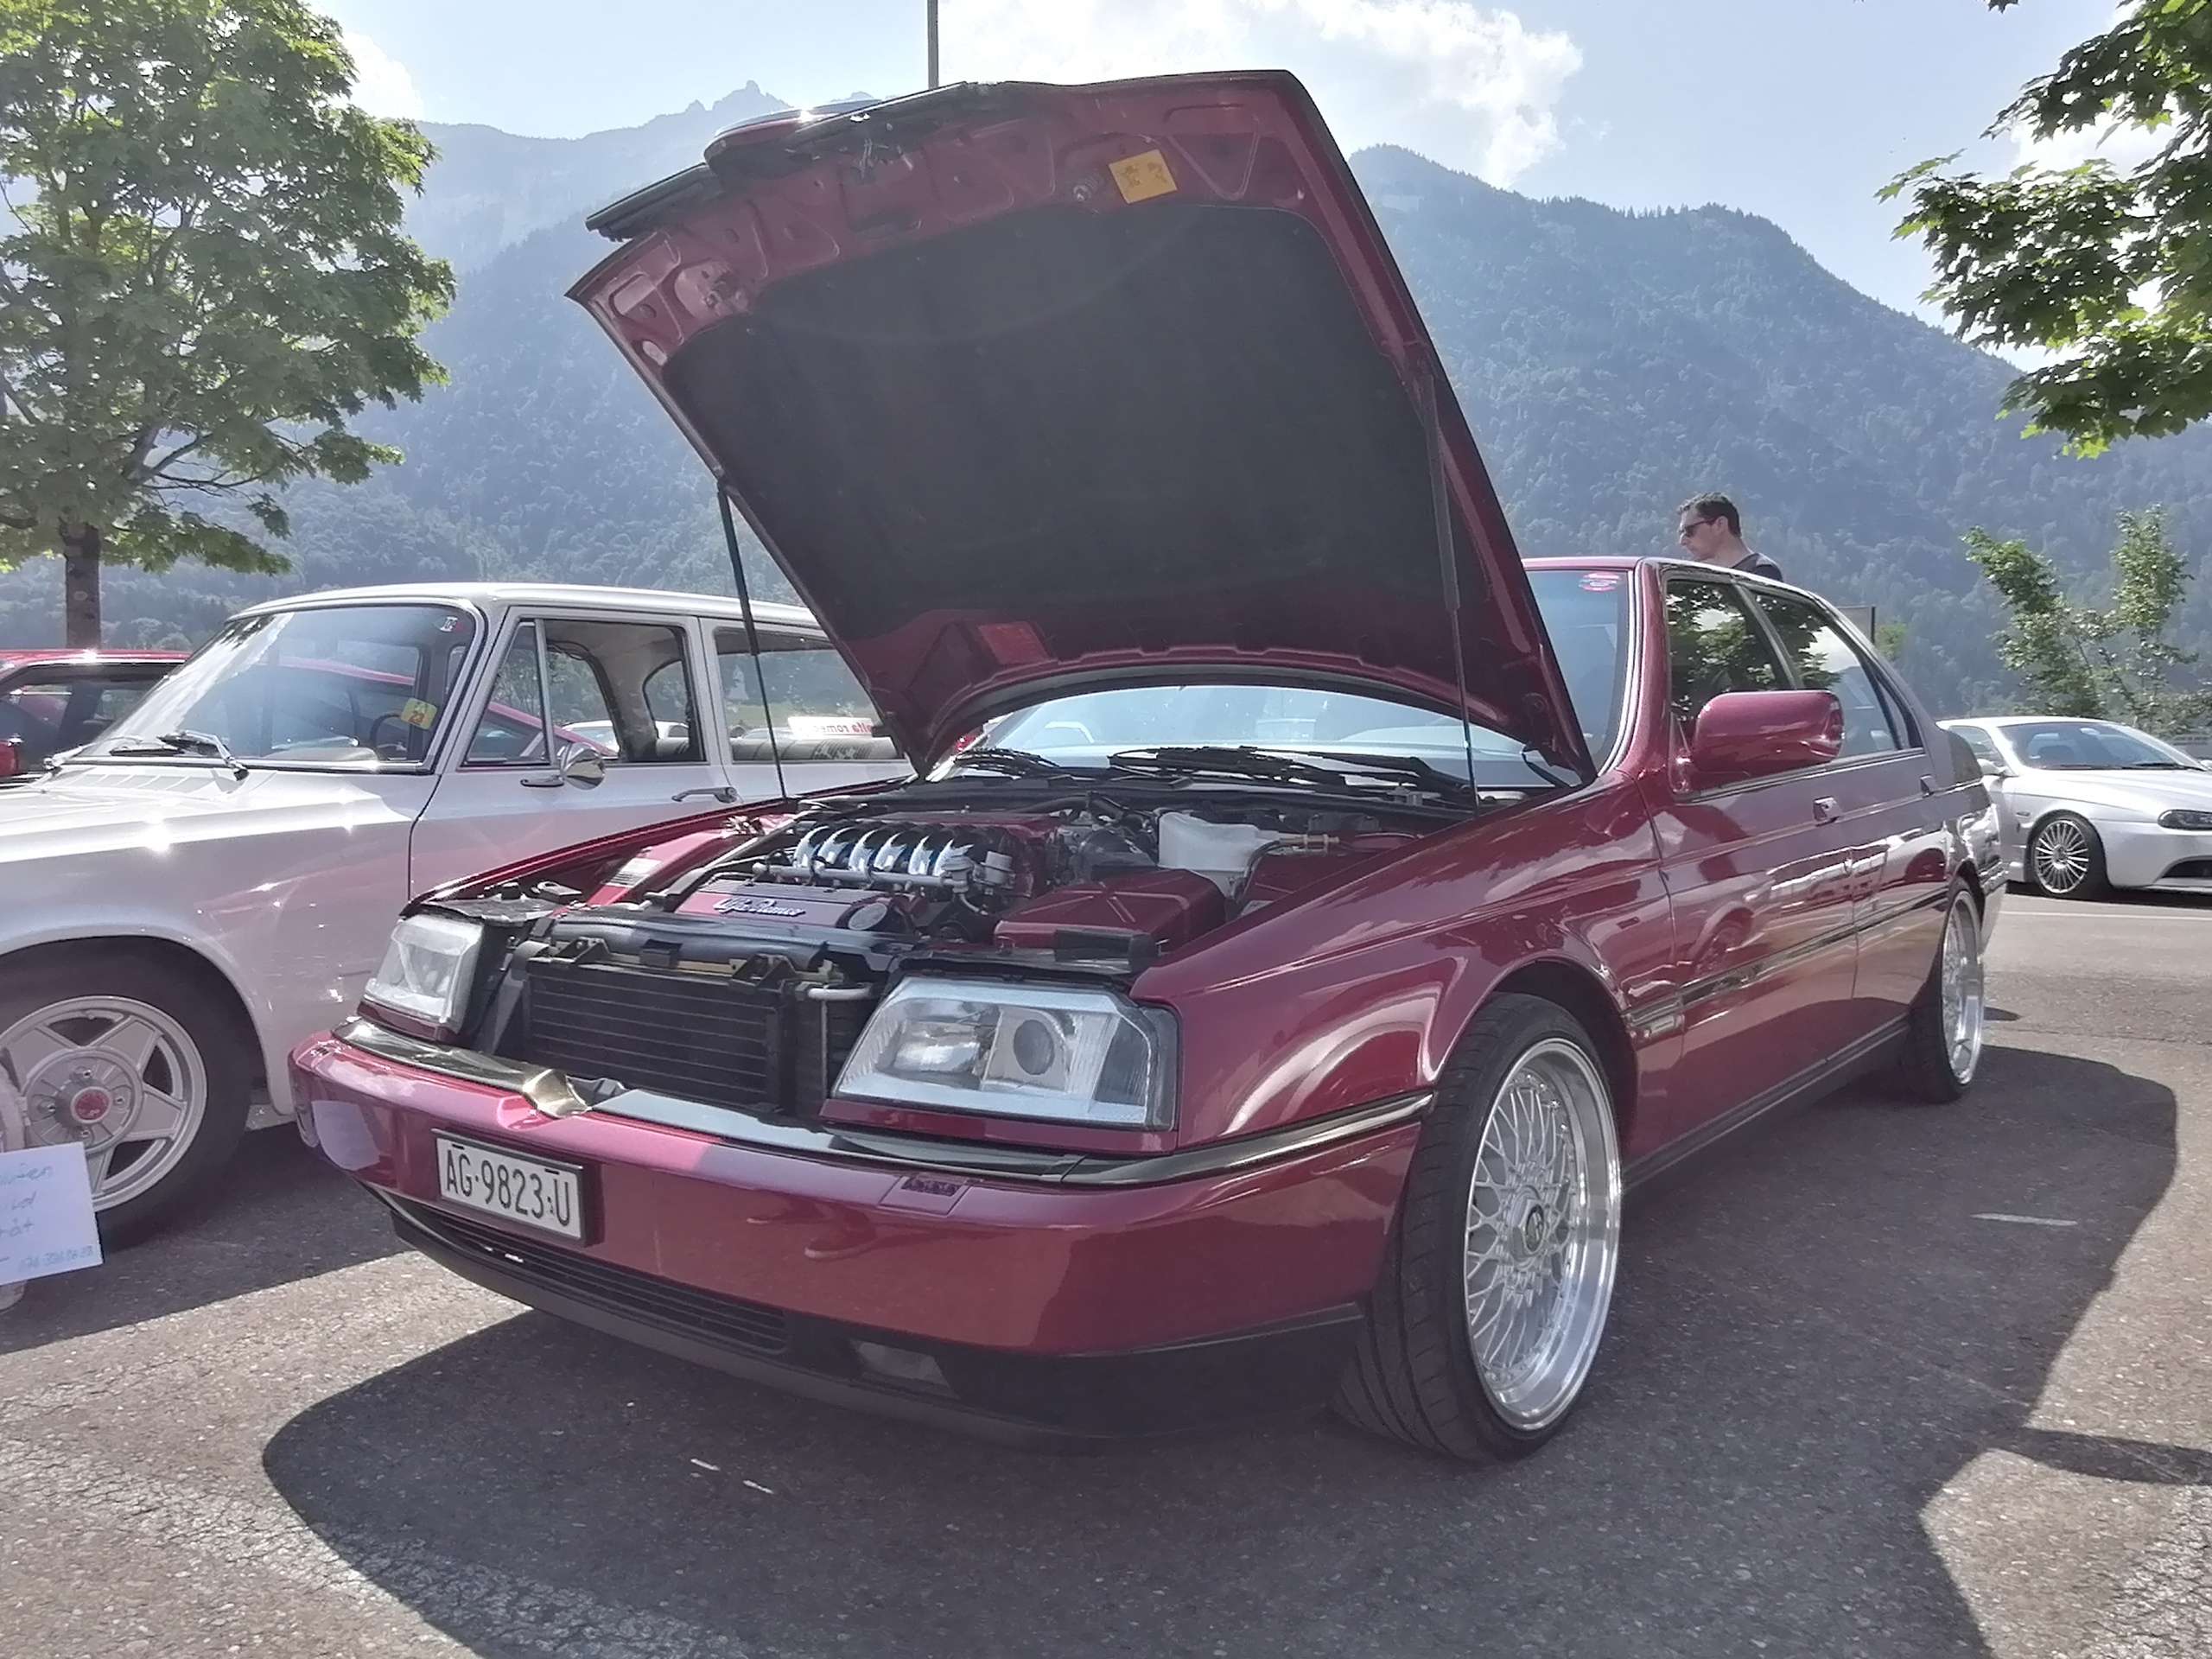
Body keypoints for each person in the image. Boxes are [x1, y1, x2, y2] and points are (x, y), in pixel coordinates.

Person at [1676, 493, 1783, 579]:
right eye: (1681, 532)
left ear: (1720, 524)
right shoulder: (1701, 576)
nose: (1682, 541)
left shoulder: (1762, 572)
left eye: (1689, 530)